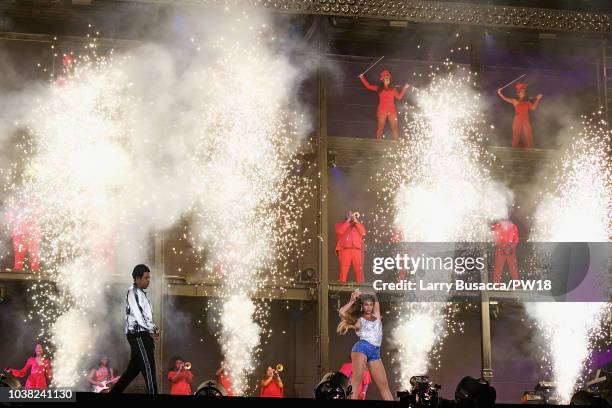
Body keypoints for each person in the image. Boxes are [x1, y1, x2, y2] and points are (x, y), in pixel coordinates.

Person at [110, 264, 159, 394]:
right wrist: (154, 328)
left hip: (142, 334)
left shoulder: (142, 294)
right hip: (138, 335)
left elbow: (145, 316)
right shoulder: (133, 292)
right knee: (149, 370)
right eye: (146, 277)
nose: (148, 280)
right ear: (137, 278)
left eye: (149, 278)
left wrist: (152, 330)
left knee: (131, 373)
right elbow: (139, 316)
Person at [338, 289, 393, 400]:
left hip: (375, 352)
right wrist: (352, 300)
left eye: (371, 305)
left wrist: (362, 292)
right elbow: (342, 312)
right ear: (362, 306)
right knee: (356, 381)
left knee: (384, 385)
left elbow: (374, 295)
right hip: (361, 348)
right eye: (366, 305)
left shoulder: (377, 316)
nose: (369, 307)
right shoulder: (359, 320)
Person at [359, 69, 410, 140]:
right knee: (380, 128)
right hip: (382, 110)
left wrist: (404, 88)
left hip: (392, 111)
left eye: (389, 78)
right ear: (383, 79)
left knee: (394, 128)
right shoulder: (379, 89)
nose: (388, 79)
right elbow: (368, 86)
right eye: (386, 77)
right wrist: (362, 78)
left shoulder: (393, 89)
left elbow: (399, 97)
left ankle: (396, 144)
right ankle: (378, 143)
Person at [497, 82, 543, 148]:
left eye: (523, 91)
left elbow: (533, 108)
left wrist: (538, 99)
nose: (522, 92)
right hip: (517, 118)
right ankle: (514, 150)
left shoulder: (527, 102)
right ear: (518, 93)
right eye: (521, 91)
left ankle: (529, 151)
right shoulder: (514, 101)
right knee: (516, 135)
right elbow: (504, 98)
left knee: (528, 135)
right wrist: (499, 93)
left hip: (525, 118)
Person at [335, 211, 367, 283]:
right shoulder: (339, 225)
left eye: (352, 214)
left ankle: (361, 287)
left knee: (359, 270)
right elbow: (340, 231)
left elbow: (363, 232)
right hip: (344, 249)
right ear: (346, 216)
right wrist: (348, 221)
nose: (351, 216)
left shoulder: (358, 225)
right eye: (349, 214)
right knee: (343, 271)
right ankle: (341, 286)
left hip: (357, 250)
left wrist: (356, 221)